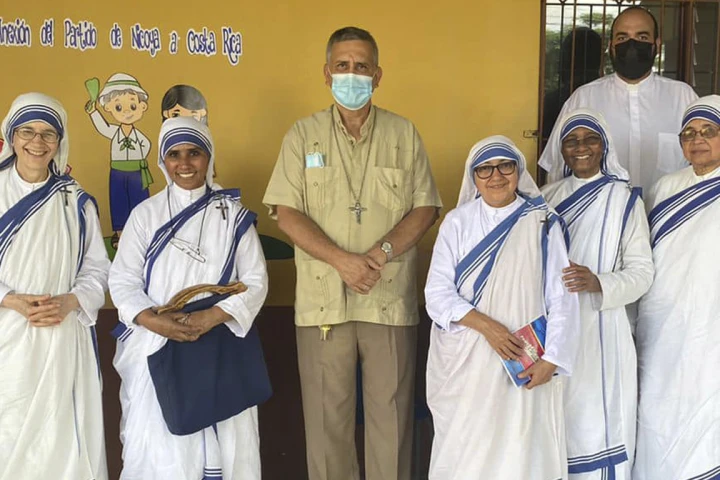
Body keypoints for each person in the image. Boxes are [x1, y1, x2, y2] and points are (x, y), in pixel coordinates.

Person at [263, 26, 442, 480]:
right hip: (323, 300)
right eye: (342, 65)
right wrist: (342, 261)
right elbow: (286, 213)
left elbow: (425, 208)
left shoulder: (403, 133)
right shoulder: (302, 135)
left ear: (377, 75)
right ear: (326, 73)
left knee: (392, 425)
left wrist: (379, 254)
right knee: (327, 429)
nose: (351, 74)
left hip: (388, 298)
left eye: (361, 66)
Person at [108, 117, 269, 479]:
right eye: (174, 154)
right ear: (162, 161)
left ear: (209, 157)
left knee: (228, 442)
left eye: (194, 153)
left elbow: (256, 281)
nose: (184, 163)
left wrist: (211, 317)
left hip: (219, 345)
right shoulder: (144, 215)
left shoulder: (233, 216)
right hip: (156, 346)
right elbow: (122, 280)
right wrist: (154, 322)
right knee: (159, 446)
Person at [424, 136, 580, 479]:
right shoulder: (457, 222)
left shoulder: (543, 222)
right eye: (485, 169)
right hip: (467, 360)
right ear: (474, 177)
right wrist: (488, 328)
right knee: (466, 453)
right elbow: (436, 293)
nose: (496, 176)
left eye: (505, 166)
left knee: (519, 451)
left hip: (524, 361)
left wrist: (553, 359)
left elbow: (562, 297)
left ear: (518, 171)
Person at [0, 93, 110, 480]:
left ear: (60, 142)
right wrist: (10, 299)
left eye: (48, 133)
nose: (37, 142)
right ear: (11, 136)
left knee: (60, 442)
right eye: (27, 131)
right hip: (7, 340)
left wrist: (71, 301)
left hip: (61, 341)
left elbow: (98, 269)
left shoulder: (75, 201)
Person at [541, 109, 654, 479]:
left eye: (590, 139)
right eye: (571, 141)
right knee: (554, 424)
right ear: (561, 150)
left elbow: (642, 273)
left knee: (598, 423)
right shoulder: (545, 199)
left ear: (604, 146)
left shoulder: (624, 200)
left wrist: (598, 282)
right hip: (552, 331)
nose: (581, 148)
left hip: (603, 334)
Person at [634, 95, 720, 480]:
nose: (697, 140)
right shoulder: (664, 188)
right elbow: (641, 254)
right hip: (662, 323)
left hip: (712, 326)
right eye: (689, 133)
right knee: (657, 407)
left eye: (708, 131)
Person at [540, 6, 698, 194]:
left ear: (656, 44)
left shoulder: (682, 97)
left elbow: (707, 160)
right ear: (611, 46)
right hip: (601, 211)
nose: (632, 45)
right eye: (622, 38)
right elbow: (556, 169)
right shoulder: (583, 99)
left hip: (667, 210)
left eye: (642, 37)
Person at [87, 72, 154, 244]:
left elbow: (146, 146)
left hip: (137, 172)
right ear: (109, 107)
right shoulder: (114, 131)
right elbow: (102, 127)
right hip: (117, 172)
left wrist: (139, 160)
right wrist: (93, 112)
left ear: (142, 107)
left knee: (140, 202)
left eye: (132, 106)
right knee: (119, 203)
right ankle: (121, 235)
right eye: (118, 107)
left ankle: (142, 237)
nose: (126, 111)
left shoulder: (139, 136)